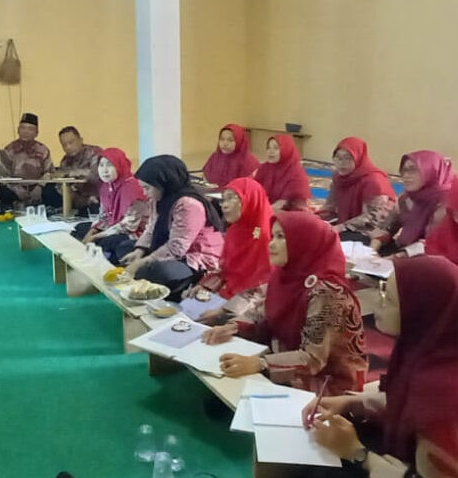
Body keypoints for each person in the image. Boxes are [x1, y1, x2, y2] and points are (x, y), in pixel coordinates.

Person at [307, 256, 458, 478]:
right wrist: (355, 403)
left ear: (421, 312)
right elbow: (413, 405)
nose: (378, 304)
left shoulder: (443, 394)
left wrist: (357, 453)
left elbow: (432, 424)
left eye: (389, 300)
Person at [202, 212, 367, 394]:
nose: (271, 243)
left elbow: (313, 359)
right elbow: (266, 315)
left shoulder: (327, 294)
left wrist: (260, 363)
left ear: (304, 243)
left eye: (281, 237)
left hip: (328, 383)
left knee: (233, 390)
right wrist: (233, 327)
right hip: (289, 358)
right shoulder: (285, 276)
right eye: (273, 236)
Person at [120, 155, 225, 300]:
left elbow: (177, 247)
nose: (144, 193)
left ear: (164, 183)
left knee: (157, 271)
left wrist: (142, 262)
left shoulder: (188, 204)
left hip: (194, 257)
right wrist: (140, 251)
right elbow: (151, 228)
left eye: (147, 188)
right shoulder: (158, 199)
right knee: (125, 248)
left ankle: (181, 290)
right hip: (172, 249)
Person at [189, 177, 272, 325]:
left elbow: (263, 289)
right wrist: (206, 286)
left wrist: (223, 312)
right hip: (228, 293)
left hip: (250, 306)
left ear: (250, 199)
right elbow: (225, 270)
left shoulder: (266, 237)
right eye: (223, 200)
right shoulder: (235, 231)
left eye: (231, 198)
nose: (224, 206)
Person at [371, 150, 456, 256]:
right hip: (404, 250)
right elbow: (388, 226)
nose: (406, 176)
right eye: (404, 170)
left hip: (431, 256)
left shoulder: (446, 201)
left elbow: (432, 243)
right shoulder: (407, 197)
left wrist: (394, 258)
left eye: (413, 170)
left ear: (430, 170)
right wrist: (372, 249)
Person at [75, 148, 149, 264]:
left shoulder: (133, 189)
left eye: (110, 165)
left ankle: (107, 260)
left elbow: (128, 226)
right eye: (101, 165)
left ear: (119, 165)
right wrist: (93, 230)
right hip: (113, 226)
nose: (104, 170)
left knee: (108, 241)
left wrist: (96, 236)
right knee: (80, 228)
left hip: (136, 232)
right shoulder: (106, 186)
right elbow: (104, 215)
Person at [318, 137, 396, 241]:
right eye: (338, 158)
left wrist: (340, 227)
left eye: (348, 158)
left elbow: (372, 218)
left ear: (358, 158)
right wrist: (315, 218)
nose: (342, 163)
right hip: (349, 225)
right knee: (315, 231)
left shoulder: (374, 180)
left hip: (374, 230)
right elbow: (330, 207)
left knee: (332, 240)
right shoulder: (339, 177)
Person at [0, 112, 54, 207]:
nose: (26, 132)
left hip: (37, 188)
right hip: (16, 188)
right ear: (18, 130)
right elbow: (2, 176)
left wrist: (39, 186)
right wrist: (16, 188)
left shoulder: (43, 150)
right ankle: (16, 205)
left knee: (51, 191)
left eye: (30, 129)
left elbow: (50, 172)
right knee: (3, 191)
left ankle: (41, 205)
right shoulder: (8, 150)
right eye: (23, 128)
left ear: (36, 133)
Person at [44, 126, 102, 214]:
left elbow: (97, 174)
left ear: (80, 140)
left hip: (100, 200)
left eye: (71, 142)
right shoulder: (65, 161)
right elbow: (63, 187)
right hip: (80, 202)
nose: (68, 147)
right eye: (64, 145)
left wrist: (72, 173)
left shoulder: (95, 152)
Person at [255, 134, 314, 212]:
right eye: (268, 148)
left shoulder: (296, 174)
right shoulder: (265, 168)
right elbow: (254, 191)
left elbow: (281, 205)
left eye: (276, 148)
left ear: (286, 149)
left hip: (291, 213)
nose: (270, 151)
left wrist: (261, 213)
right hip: (268, 209)